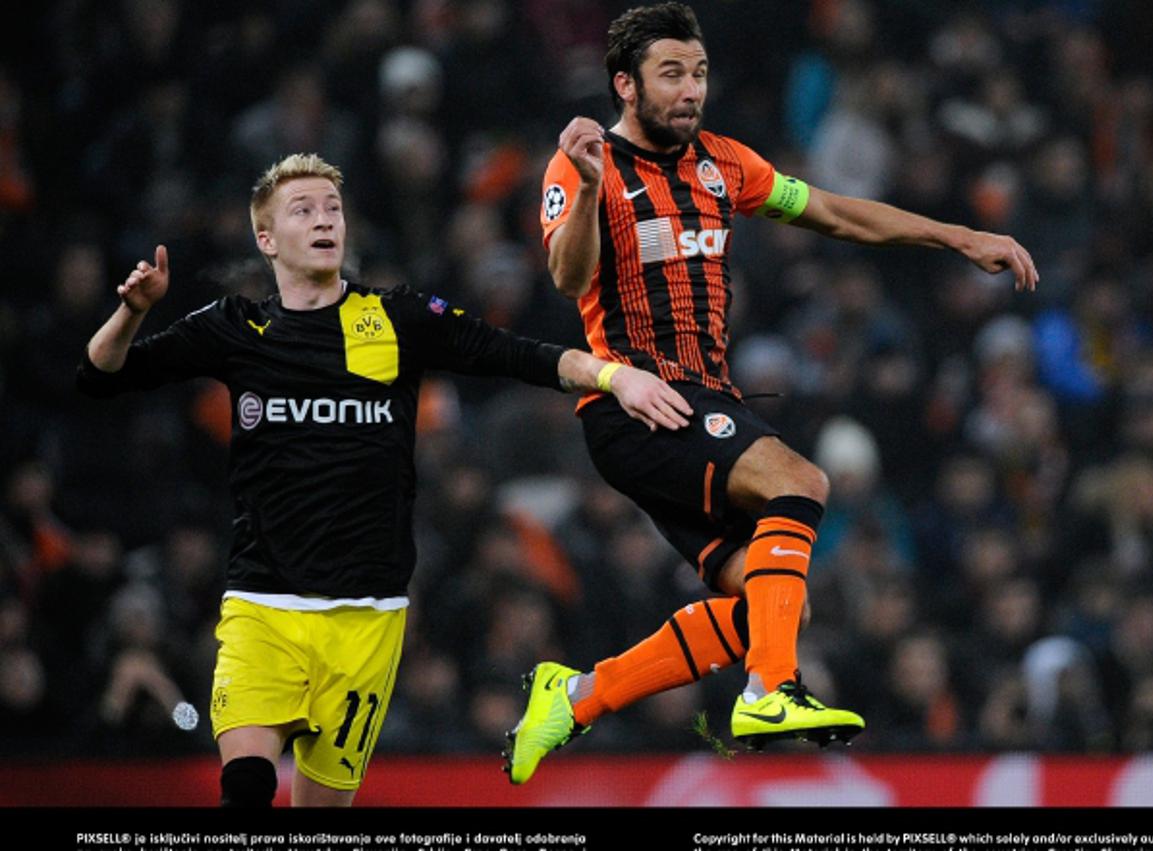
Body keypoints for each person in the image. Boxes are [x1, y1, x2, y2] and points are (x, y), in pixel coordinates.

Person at [505, 2, 1037, 784]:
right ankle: (769, 690)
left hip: (703, 405)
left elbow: (831, 212)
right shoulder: (583, 166)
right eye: (671, 74)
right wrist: (587, 188)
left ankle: (577, 695)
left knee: (775, 602)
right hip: (640, 404)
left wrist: (958, 236)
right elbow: (568, 277)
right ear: (624, 84)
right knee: (801, 480)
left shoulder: (724, 163)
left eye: (700, 72)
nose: (691, 90)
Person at [76, 152, 692, 806]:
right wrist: (133, 312)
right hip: (265, 607)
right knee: (248, 785)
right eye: (303, 210)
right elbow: (100, 376)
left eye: (332, 208)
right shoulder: (237, 327)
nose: (324, 220)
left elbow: (513, 354)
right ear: (267, 239)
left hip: (368, 618)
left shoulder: (397, 318)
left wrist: (612, 374)